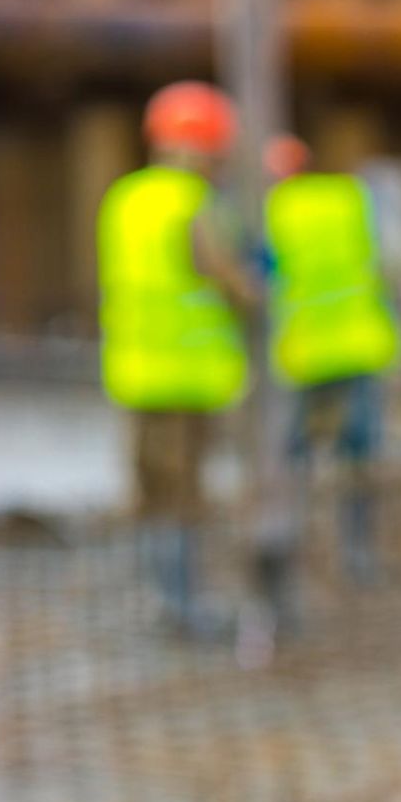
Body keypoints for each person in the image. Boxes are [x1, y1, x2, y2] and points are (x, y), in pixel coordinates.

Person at [98, 81, 257, 636]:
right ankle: (181, 605)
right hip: (186, 380)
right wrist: (261, 284)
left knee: (151, 491)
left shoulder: (126, 198)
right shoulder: (195, 206)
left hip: (134, 372)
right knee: (183, 498)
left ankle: (157, 595)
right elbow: (233, 284)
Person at [262, 134, 401, 600]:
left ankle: (293, 546)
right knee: (357, 459)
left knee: (295, 458)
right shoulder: (346, 197)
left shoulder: (269, 209)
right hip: (359, 347)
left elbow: (260, 278)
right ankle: (357, 552)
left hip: (305, 357)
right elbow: (382, 263)